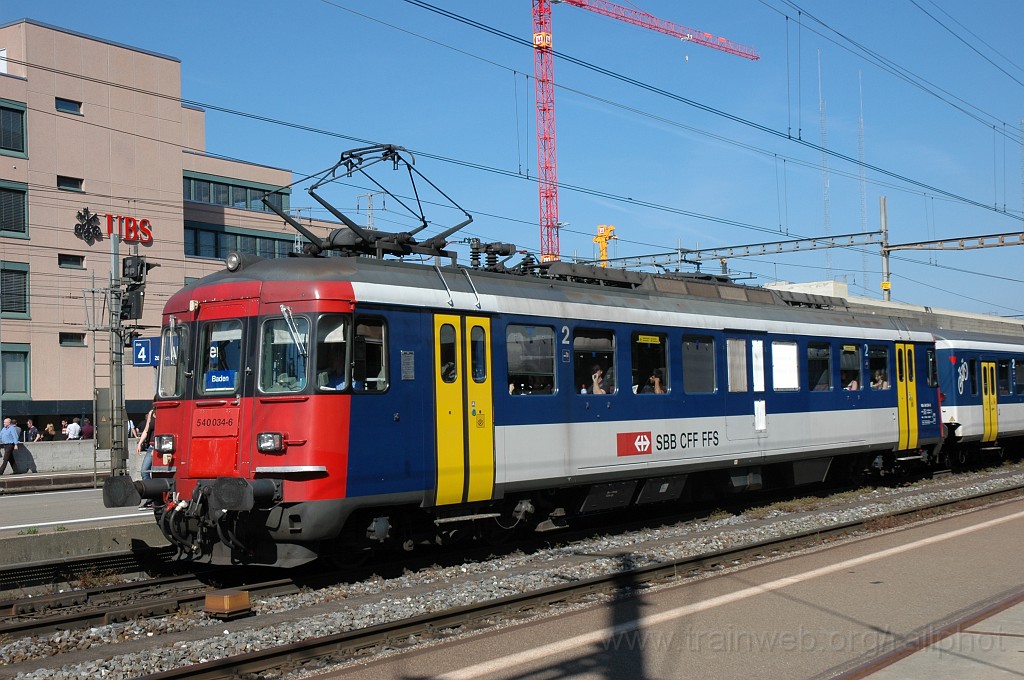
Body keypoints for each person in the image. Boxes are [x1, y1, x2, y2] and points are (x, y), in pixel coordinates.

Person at [136, 407, 156, 509]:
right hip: (151, 446)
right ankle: (151, 497)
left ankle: (152, 499)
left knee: (157, 473)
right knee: (144, 471)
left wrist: (156, 447)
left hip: (161, 447)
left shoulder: (164, 412)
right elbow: (146, 430)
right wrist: (139, 443)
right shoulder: (151, 413)